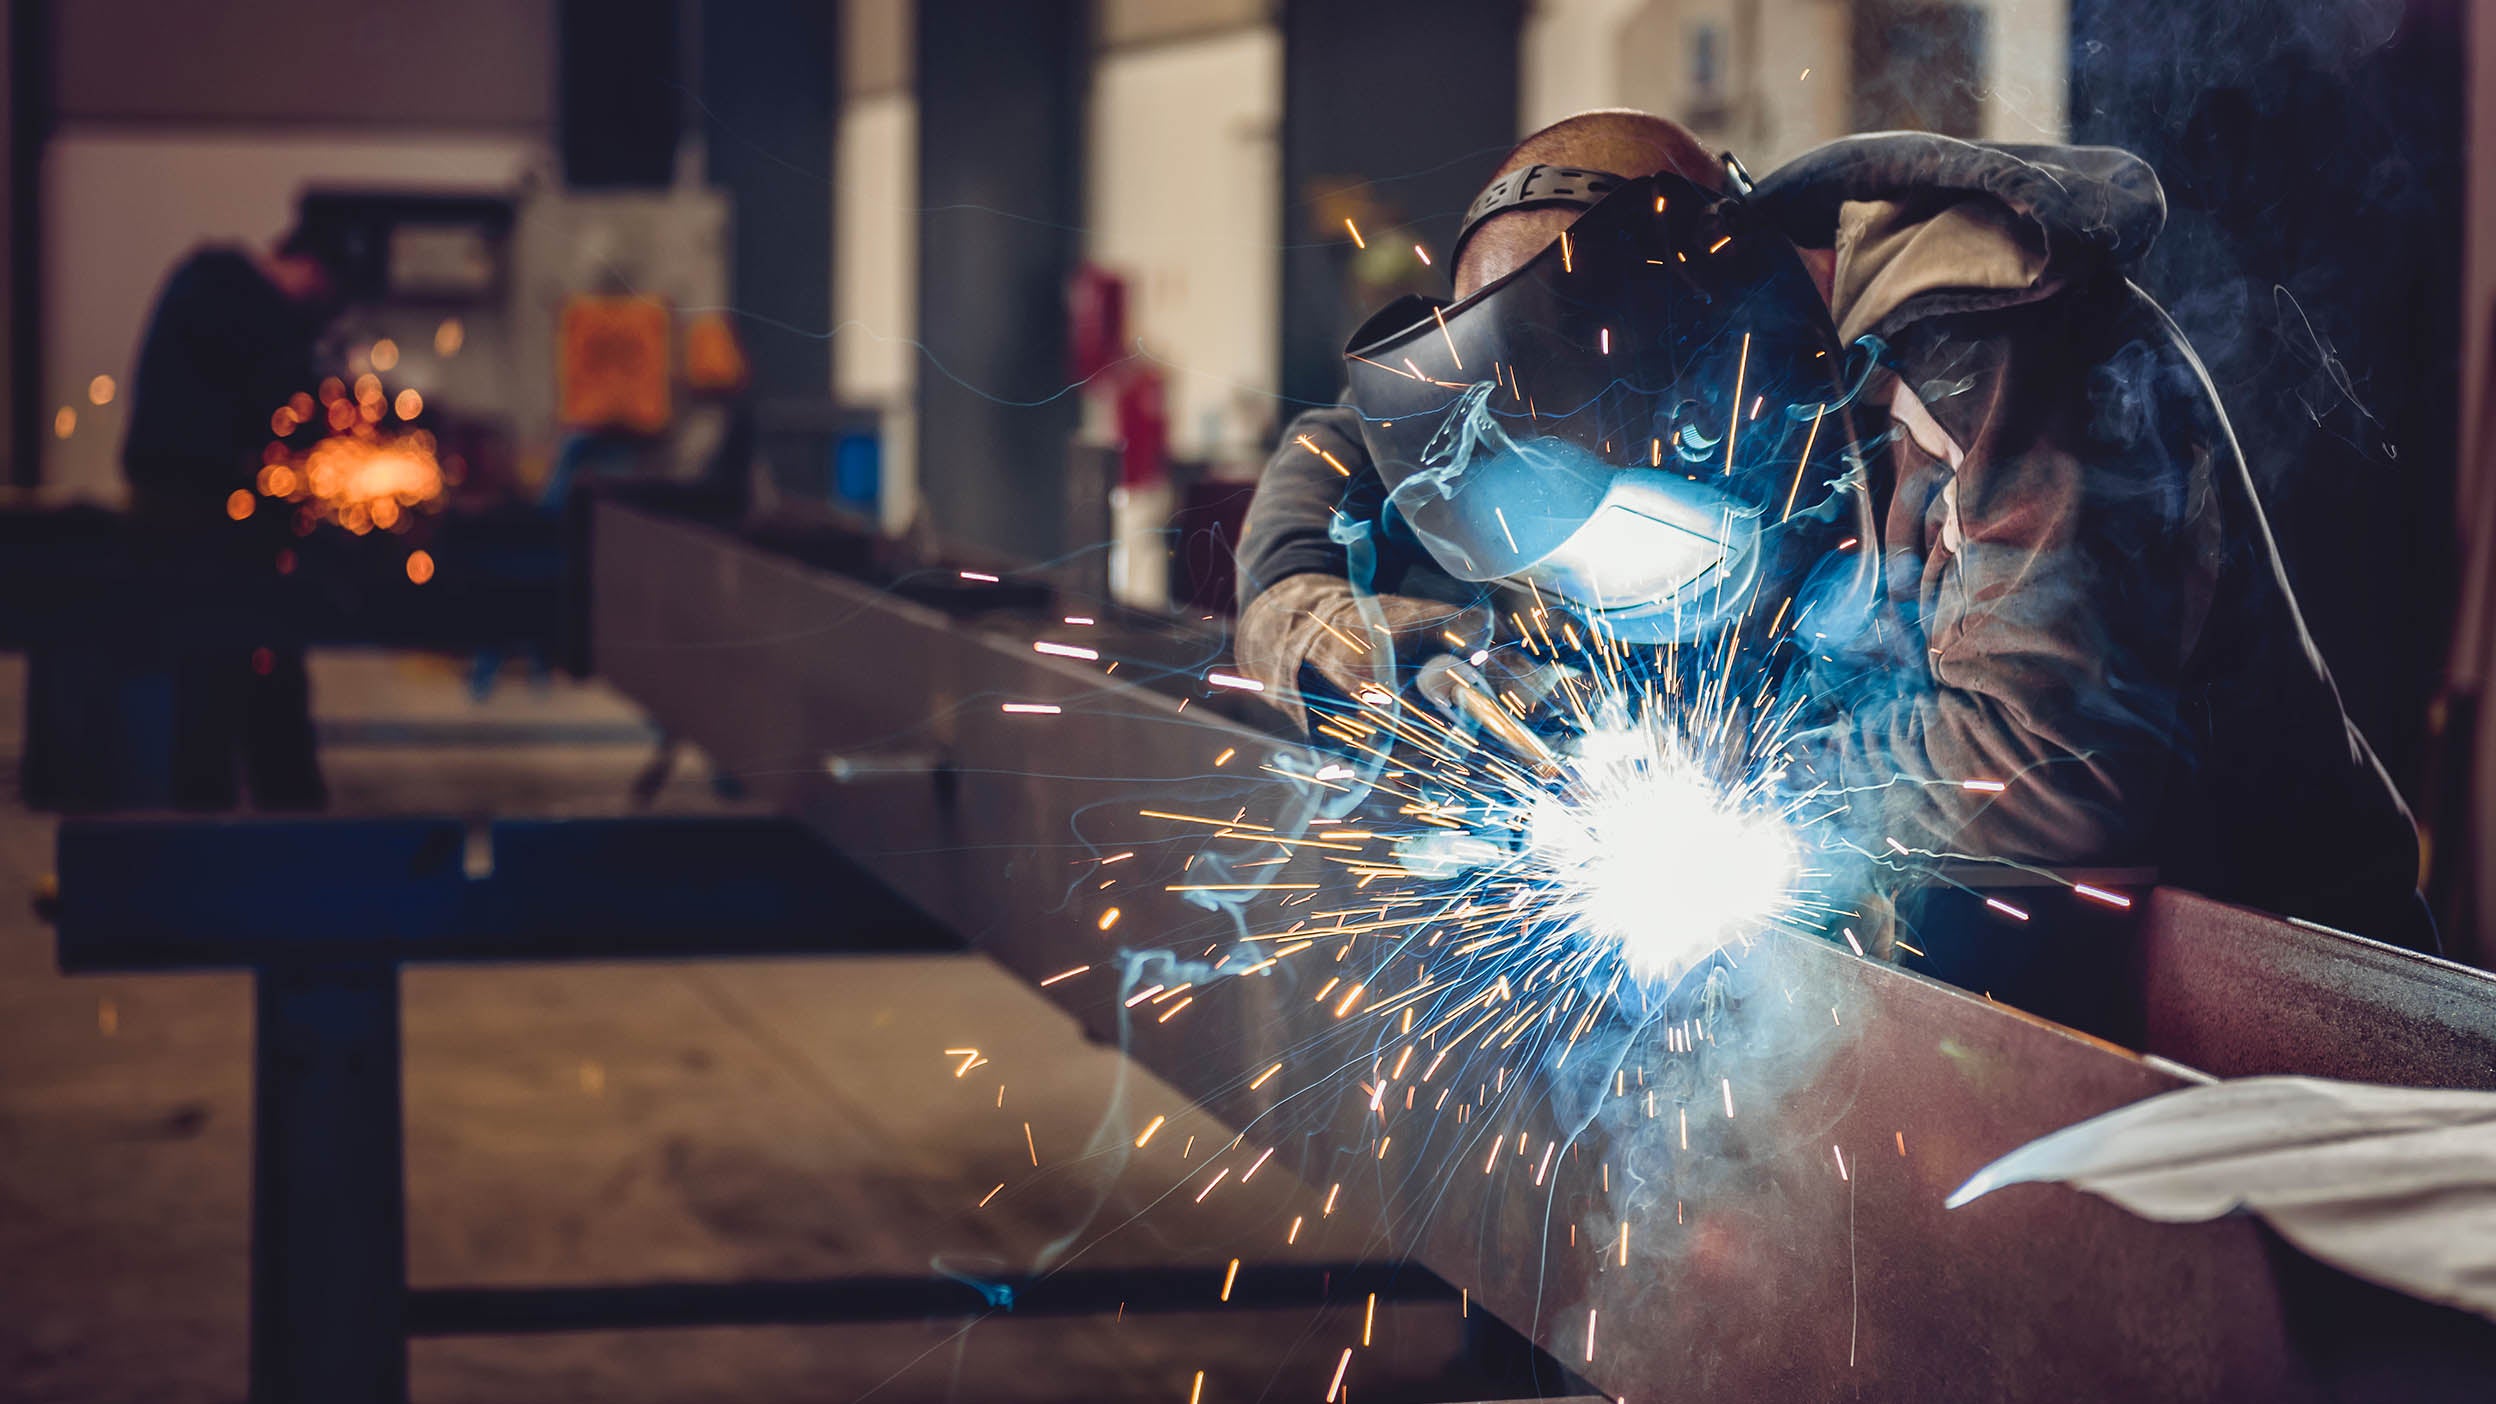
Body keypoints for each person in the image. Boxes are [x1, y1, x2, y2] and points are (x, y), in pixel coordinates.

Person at [1233, 110, 2432, 952]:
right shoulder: (1664, 363)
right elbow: (1342, 446)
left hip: (2272, 995)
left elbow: (2041, 765)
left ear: (1709, 355)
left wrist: (1700, 788)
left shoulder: (1999, 348)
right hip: (1991, 969)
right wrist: (1306, 607)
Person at [119, 218, 357, 810]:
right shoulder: (239, 296)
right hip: (202, 519)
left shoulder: (211, 283)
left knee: (246, 664)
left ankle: (254, 809)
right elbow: (285, 405)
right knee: (233, 664)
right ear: (312, 271)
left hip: (201, 514)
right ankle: (258, 812)